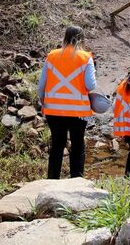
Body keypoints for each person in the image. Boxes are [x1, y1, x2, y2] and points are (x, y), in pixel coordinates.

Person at [37, 26, 96, 179]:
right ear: (81, 39)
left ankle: (52, 181)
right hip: (78, 111)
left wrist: (43, 102)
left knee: (57, 145)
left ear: (65, 38)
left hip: (53, 110)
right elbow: (90, 85)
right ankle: (76, 181)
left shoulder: (52, 56)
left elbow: (42, 84)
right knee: (77, 146)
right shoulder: (85, 57)